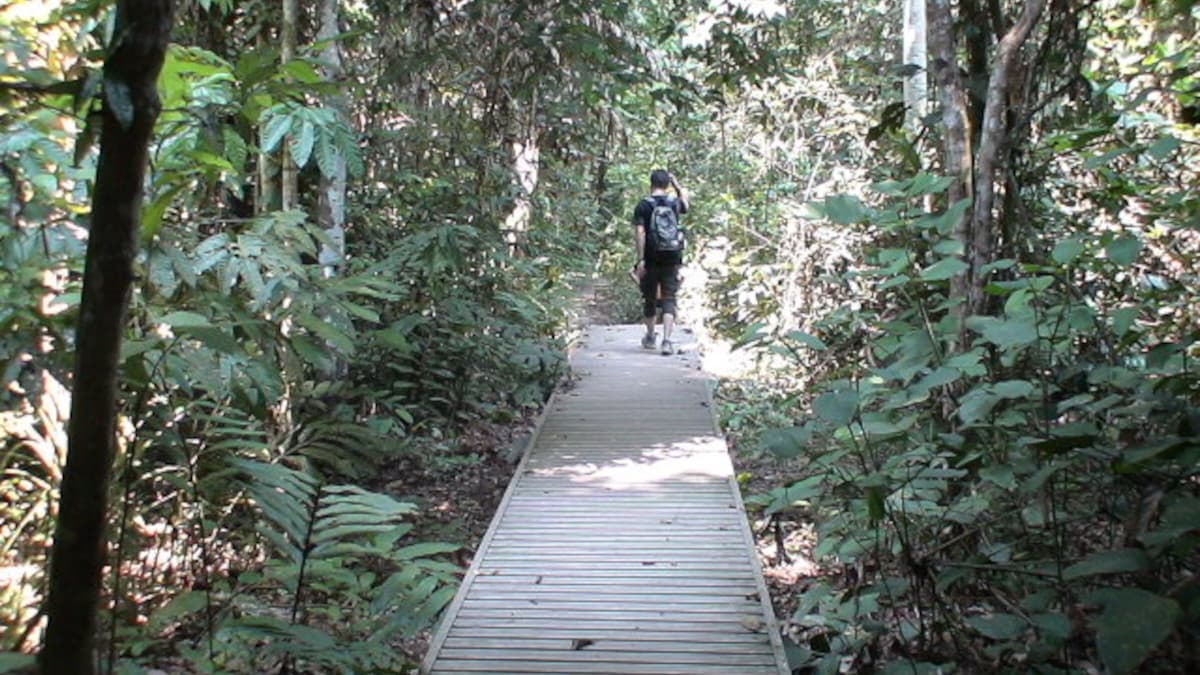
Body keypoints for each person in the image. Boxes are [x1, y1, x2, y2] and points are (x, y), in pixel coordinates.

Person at [633, 169, 689, 355]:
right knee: (669, 297)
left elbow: (640, 233)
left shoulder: (644, 205)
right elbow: (686, 205)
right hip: (672, 255)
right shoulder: (674, 203)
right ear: (667, 184)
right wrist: (677, 185)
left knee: (649, 298)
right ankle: (666, 341)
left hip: (651, 256)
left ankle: (650, 337)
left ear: (651, 183)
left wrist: (640, 259)